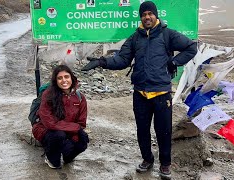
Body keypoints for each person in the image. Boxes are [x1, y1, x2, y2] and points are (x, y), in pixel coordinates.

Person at [81, 1, 197, 179]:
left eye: (150, 13)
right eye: (144, 14)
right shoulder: (135, 38)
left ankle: (165, 164)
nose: (147, 17)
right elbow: (122, 59)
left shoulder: (168, 34)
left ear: (156, 15)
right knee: (142, 130)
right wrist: (102, 62)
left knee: (163, 131)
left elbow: (191, 47)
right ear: (141, 17)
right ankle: (147, 159)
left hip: (161, 93)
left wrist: (174, 62)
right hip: (140, 93)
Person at [32, 65, 89, 169]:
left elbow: (81, 123)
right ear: (56, 81)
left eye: (66, 77)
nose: (64, 80)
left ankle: (67, 156)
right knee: (58, 136)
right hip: (46, 129)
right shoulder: (48, 95)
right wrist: (74, 128)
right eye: (60, 78)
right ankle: (51, 158)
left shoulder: (80, 98)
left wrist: (73, 140)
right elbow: (50, 123)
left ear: (72, 78)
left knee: (83, 139)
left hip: (67, 130)